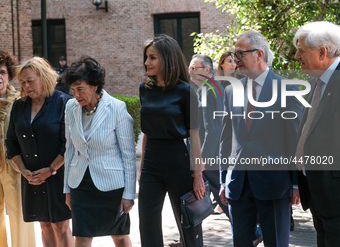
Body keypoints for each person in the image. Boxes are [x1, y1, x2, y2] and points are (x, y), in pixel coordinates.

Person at [219, 30, 302, 247]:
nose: (235, 60)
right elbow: (226, 139)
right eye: (234, 55)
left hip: (274, 185)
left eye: (240, 54)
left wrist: (296, 183)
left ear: (259, 54)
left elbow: (294, 139)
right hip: (238, 185)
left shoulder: (287, 88)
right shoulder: (231, 91)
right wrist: (223, 180)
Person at [138, 34, 205, 247]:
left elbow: (195, 134)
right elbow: (147, 132)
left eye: (153, 58)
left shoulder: (186, 91)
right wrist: (141, 169)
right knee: (146, 223)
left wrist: (198, 175)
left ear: (167, 59)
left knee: (188, 223)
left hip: (178, 159)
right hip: (151, 162)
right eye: (146, 58)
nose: (147, 62)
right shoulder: (145, 90)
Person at [63, 56, 136, 247]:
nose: (76, 95)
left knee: (119, 235)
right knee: (82, 235)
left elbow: (128, 155)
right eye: (72, 90)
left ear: (95, 85)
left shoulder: (117, 108)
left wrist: (129, 194)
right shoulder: (70, 107)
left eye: (80, 89)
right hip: (80, 183)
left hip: (111, 185)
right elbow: (69, 150)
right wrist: (67, 189)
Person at [5, 56, 73, 247]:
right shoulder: (19, 106)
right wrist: (23, 171)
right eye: (23, 82)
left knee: (60, 225)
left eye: (30, 80)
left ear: (43, 77)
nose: (26, 86)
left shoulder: (64, 103)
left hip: (58, 174)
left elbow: (69, 144)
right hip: (31, 176)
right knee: (44, 224)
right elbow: (11, 143)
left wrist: (51, 169)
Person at [293, 21, 340, 247]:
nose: (296, 56)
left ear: (322, 52)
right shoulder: (316, 82)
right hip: (318, 194)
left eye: (301, 50)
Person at [0, 51, 35, 247]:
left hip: (15, 167)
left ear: (9, 75)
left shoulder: (20, 103)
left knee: (20, 216)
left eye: (2, 72)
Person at [189, 54, 228, 216]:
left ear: (206, 70)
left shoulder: (207, 90)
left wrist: (202, 159)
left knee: (220, 195)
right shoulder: (212, 87)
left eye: (194, 68)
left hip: (210, 155)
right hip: (213, 153)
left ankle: (253, 232)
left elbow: (213, 128)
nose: (190, 71)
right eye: (189, 68)